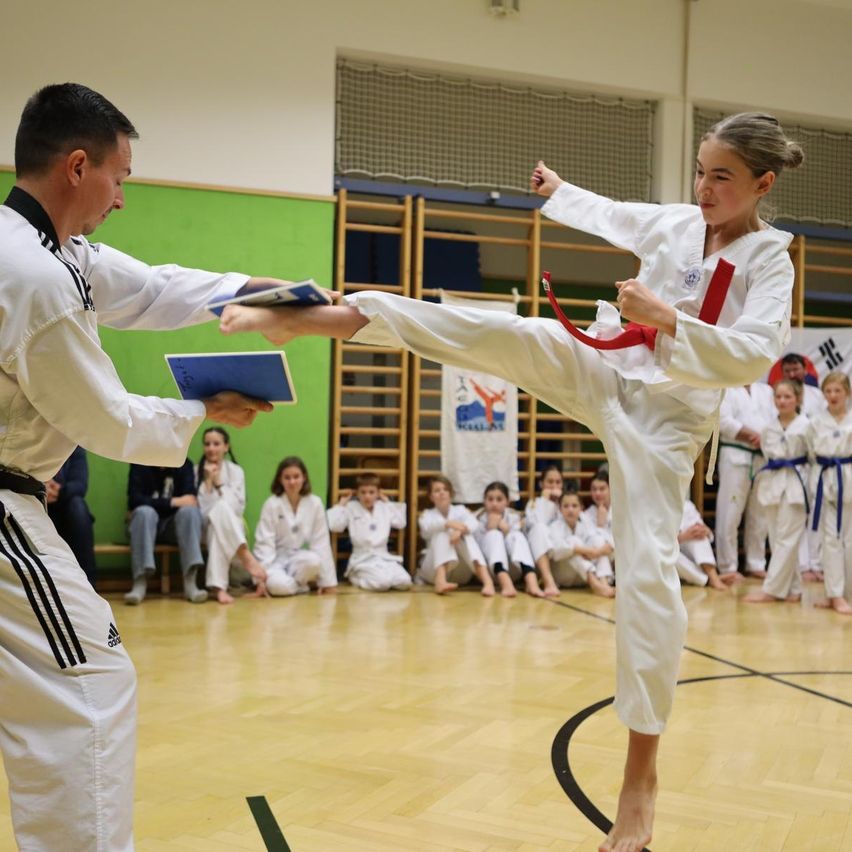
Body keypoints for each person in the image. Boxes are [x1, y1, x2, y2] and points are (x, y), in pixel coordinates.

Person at [220, 112, 803, 851]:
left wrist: (665, 320)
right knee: (512, 334)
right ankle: (331, 316)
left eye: (722, 176)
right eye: (700, 169)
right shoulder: (680, 223)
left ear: (762, 183)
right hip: (608, 364)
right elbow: (620, 216)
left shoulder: (770, 259)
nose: (705, 187)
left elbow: (753, 354)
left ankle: (640, 776)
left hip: (668, 424)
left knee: (650, 575)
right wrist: (561, 194)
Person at [0, 83, 273, 851]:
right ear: (79, 167)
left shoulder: (50, 253)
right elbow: (105, 417)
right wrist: (205, 411)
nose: (122, 198)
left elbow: (154, 288)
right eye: (121, 178)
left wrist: (274, 296)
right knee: (90, 687)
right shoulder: (35, 278)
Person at [745, 379, 810, 604]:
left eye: (787, 397)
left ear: (798, 399)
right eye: (778, 397)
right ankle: (794, 588)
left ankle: (771, 589)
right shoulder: (768, 428)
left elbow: (811, 458)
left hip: (796, 484)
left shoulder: (806, 426)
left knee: (787, 539)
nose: (782, 401)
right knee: (775, 537)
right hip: (772, 484)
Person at [196, 426, 267, 604]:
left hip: (232, 524)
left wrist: (219, 483)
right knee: (216, 516)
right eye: (207, 444)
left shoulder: (236, 471)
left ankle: (219, 588)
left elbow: (237, 507)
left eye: (216, 444)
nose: (211, 448)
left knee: (219, 523)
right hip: (204, 526)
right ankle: (245, 555)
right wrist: (208, 482)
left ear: (226, 447)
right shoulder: (196, 471)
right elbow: (202, 510)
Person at [715, 383, 775, 580]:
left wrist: (766, 437)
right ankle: (728, 566)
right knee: (730, 511)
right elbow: (722, 421)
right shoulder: (726, 387)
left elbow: (776, 419)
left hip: (763, 455)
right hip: (735, 453)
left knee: (760, 514)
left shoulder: (765, 391)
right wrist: (752, 435)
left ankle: (756, 562)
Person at [253, 456, 337, 596]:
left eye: (296, 476)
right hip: (276, 561)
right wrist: (261, 579)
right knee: (278, 586)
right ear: (280, 479)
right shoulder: (272, 504)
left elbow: (321, 543)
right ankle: (299, 587)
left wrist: (328, 583)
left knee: (314, 561)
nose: (292, 482)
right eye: (287, 477)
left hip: (297, 558)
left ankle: (292, 585)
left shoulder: (315, 503)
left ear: (304, 477)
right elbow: (264, 543)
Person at [125, 460, 206, 604]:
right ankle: (140, 582)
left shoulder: (184, 464)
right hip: (144, 528)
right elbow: (134, 499)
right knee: (144, 512)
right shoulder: (139, 463)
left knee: (190, 512)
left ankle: (190, 582)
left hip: (173, 527)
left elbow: (190, 500)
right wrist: (172, 502)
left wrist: (159, 503)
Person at [807, 372, 852, 615]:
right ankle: (834, 594)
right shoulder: (815, 421)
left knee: (850, 541)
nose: (833, 396)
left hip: (849, 477)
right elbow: (810, 454)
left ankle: (846, 592)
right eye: (828, 391)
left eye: (838, 391)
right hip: (825, 480)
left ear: (848, 393)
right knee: (830, 541)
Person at [326, 472, 412, 591]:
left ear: (378, 493)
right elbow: (335, 526)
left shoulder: (384, 507)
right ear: (357, 493)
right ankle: (355, 577)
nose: (367, 496)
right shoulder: (351, 507)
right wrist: (341, 504)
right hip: (362, 558)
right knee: (382, 583)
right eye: (363, 492)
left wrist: (387, 501)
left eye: (371, 492)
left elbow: (401, 522)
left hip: (383, 556)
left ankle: (382, 577)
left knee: (405, 581)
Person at [416, 474, 493, 595]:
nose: (442, 493)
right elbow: (426, 529)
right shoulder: (427, 515)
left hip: (460, 573)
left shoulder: (461, 510)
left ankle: (487, 582)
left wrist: (459, 531)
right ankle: (440, 581)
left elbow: (473, 523)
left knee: (467, 535)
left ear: (450, 494)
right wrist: (448, 524)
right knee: (442, 534)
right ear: (431, 496)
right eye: (437, 490)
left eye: (445, 490)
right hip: (433, 572)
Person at [474, 480, 542, 598]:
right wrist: (490, 530)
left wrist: (506, 530)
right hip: (488, 571)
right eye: (490, 499)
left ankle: (531, 581)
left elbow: (523, 545)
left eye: (499, 499)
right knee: (494, 535)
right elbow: (475, 551)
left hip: (514, 569)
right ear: (484, 501)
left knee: (517, 536)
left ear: (507, 502)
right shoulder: (477, 519)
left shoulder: (514, 517)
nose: (494, 504)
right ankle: (505, 583)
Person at [548, 488, 615, 597]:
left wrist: (597, 552)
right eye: (566, 506)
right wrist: (583, 550)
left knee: (597, 541)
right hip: (563, 575)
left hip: (581, 577)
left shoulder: (585, 523)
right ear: (560, 509)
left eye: (574, 506)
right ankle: (595, 584)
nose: (570, 510)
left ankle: (604, 582)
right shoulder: (554, 527)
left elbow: (606, 542)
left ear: (581, 509)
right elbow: (555, 553)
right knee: (573, 542)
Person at [45, 445, 96, 586]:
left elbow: (80, 485)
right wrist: (40, 489)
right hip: (34, 503)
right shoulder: (32, 440)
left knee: (78, 506)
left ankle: (89, 584)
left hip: (64, 506)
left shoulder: (75, 447)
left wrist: (58, 491)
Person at [523, 464, 563, 597]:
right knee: (539, 528)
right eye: (550, 482)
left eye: (558, 482)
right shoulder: (534, 503)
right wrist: (546, 501)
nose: (554, 486)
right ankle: (548, 581)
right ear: (541, 484)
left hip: (560, 555)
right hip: (538, 558)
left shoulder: (567, 504)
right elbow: (538, 524)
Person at [677, 498, 727, 590]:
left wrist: (706, 531)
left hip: (681, 546)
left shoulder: (686, 504)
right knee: (670, 555)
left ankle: (713, 576)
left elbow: (699, 527)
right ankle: (707, 579)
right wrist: (682, 537)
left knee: (698, 533)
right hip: (660, 552)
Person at [583, 465, 615, 554]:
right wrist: (600, 526)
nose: (597, 493)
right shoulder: (586, 514)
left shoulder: (620, 511)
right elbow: (591, 542)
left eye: (602, 489)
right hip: (596, 557)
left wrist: (598, 553)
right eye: (594, 489)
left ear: (610, 489)